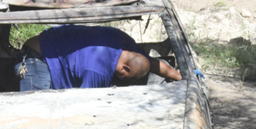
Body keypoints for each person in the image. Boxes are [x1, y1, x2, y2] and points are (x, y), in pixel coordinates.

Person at [15, 24, 182, 91]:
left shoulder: (125, 43)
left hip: (51, 46)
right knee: (36, 115)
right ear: (125, 68)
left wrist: (181, 77)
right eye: (129, 79)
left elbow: (152, 64)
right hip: (37, 60)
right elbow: (84, 106)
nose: (126, 82)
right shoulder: (98, 71)